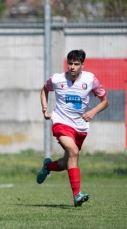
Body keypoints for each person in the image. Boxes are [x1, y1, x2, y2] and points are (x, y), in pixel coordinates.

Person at [36, 49, 109, 207]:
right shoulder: (57, 79)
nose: (72, 67)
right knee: (74, 152)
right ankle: (77, 195)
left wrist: (93, 111)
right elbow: (44, 90)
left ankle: (48, 166)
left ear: (83, 64)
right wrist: (45, 109)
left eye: (76, 64)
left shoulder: (90, 80)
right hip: (60, 122)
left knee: (66, 162)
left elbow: (105, 101)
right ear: (67, 63)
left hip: (80, 127)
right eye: (70, 63)